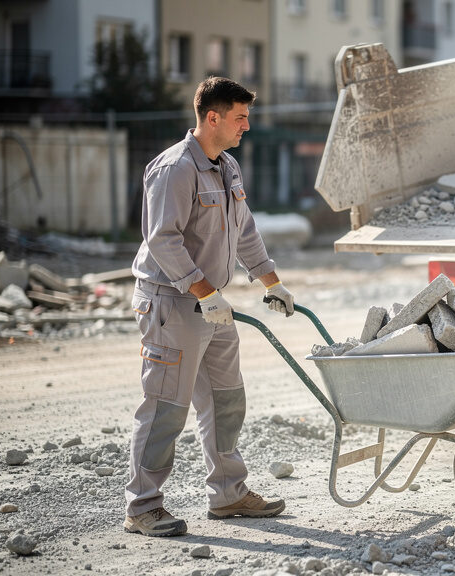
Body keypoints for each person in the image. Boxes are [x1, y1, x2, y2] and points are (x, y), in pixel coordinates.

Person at [124, 76, 296, 536]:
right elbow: (162, 240)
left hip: (212, 306)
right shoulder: (175, 168)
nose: (246, 127)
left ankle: (228, 494)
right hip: (173, 303)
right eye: (240, 118)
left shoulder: (227, 167)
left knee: (226, 401)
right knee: (165, 407)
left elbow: (244, 231)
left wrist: (271, 282)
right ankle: (142, 506)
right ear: (212, 117)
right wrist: (205, 293)